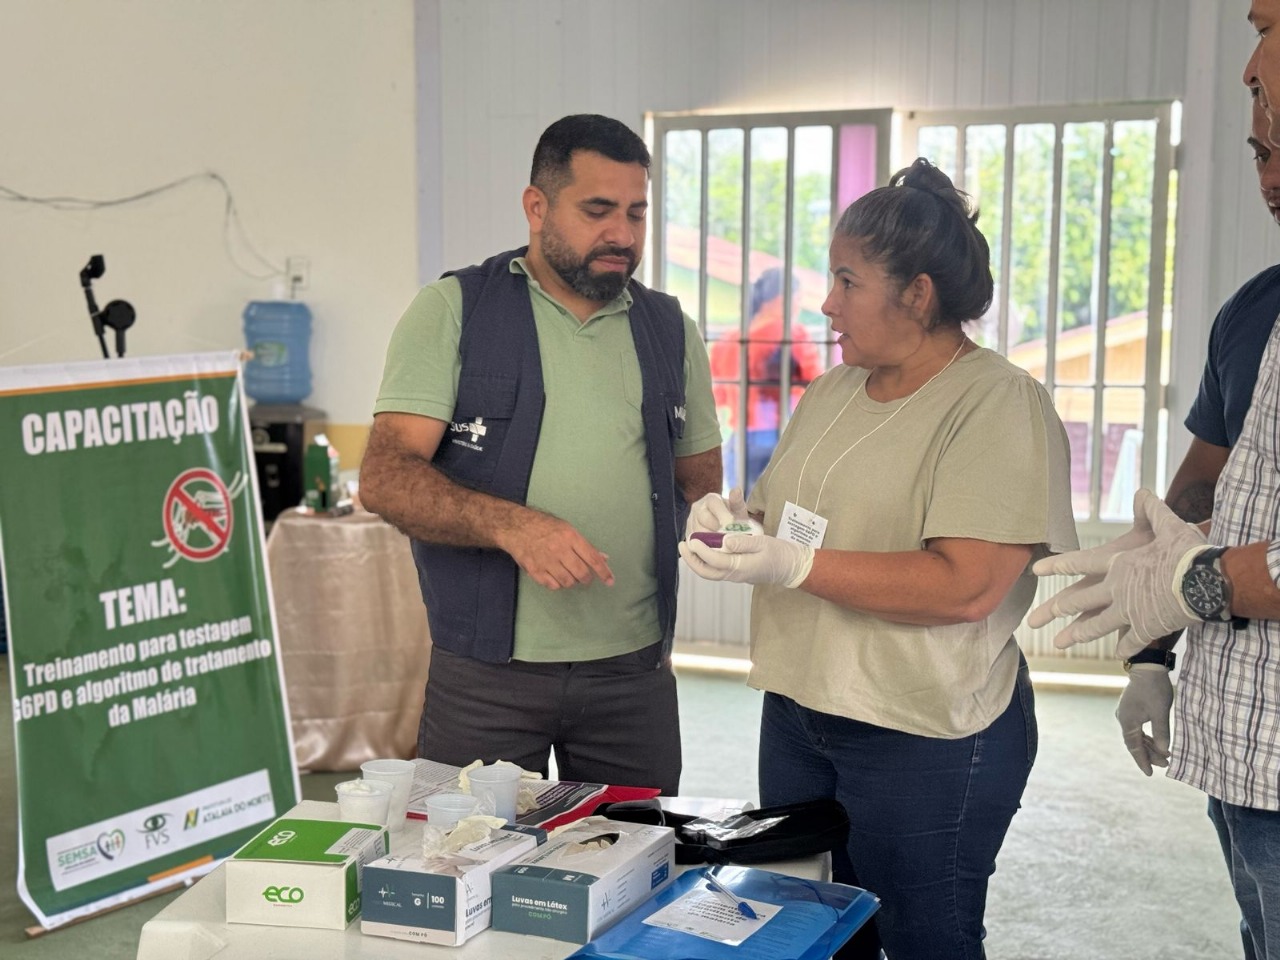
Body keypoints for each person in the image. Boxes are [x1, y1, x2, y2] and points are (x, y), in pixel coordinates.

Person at [681, 158, 1078, 959]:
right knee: (812, 930)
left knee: (926, 936)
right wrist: (735, 523)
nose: (826, 303)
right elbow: (789, 518)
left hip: (923, 729)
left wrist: (791, 566)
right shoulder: (833, 391)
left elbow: (966, 586)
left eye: (846, 281)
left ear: (918, 294)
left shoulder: (996, 402)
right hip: (801, 708)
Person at [359, 114, 722, 796]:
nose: (623, 234)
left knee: (637, 850)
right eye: (597, 210)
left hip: (633, 675)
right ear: (536, 206)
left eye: (637, 213)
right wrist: (511, 525)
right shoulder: (454, 311)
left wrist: (734, 528)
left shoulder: (670, 330)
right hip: (486, 676)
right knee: (468, 851)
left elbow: (700, 486)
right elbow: (385, 478)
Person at [1032, 7, 1280, 954]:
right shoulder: (1254, 314)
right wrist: (1150, 656)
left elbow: (1195, 566)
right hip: (1242, 751)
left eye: (1269, 29)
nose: (1268, 176)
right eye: (1257, 154)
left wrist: (1192, 584)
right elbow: (1193, 505)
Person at [709, 267, 825, 491]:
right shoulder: (792, 334)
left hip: (738, 441)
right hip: (779, 437)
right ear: (784, 298)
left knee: (740, 510)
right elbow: (818, 385)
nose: (799, 307)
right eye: (798, 299)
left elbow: (719, 397)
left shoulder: (728, 340)